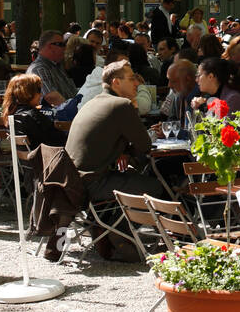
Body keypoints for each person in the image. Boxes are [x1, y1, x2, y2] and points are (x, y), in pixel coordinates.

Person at [65, 61, 166, 210]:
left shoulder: (92, 102)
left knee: (132, 176)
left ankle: (104, 227)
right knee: (156, 187)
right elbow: (145, 145)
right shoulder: (121, 105)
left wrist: (124, 151)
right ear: (116, 82)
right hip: (92, 184)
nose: (137, 82)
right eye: (131, 78)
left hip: (71, 181)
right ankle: (118, 232)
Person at [27, 29, 82, 120]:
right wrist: (75, 112)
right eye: (62, 45)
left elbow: (72, 91)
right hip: (55, 121)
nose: (65, 48)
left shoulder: (57, 66)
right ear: (50, 46)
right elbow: (51, 97)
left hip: (66, 117)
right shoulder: (39, 69)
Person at [1, 74, 67, 150]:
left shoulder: (12, 115)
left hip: (26, 161)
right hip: (45, 160)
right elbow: (60, 140)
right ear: (27, 93)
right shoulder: (33, 116)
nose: (41, 94)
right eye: (39, 90)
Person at [153, 60, 201, 127]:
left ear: (188, 80)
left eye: (173, 81)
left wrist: (172, 131)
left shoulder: (201, 98)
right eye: (169, 80)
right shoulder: (178, 96)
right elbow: (172, 121)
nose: (169, 85)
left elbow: (196, 132)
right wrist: (165, 127)